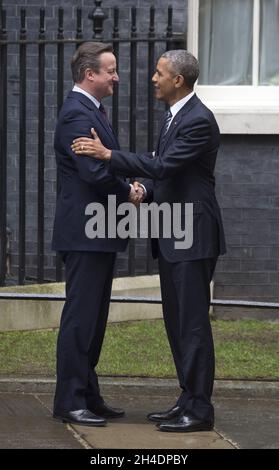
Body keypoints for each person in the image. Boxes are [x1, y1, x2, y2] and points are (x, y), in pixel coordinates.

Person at [71, 49, 226, 433]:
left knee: (192, 325)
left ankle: (200, 411)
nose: (152, 79)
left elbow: (164, 166)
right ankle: (187, 399)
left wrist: (109, 155)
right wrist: (141, 190)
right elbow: (165, 176)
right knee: (176, 322)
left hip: (193, 235)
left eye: (159, 73)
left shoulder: (199, 120)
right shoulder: (174, 116)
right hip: (174, 234)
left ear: (178, 80)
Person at [52, 41, 144, 427]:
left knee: (94, 318)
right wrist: (129, 192)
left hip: (97, 232)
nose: (116, 76)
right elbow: (93, 173)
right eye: (111, 70)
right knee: (81, 318)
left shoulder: (91, 110)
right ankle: (69, 401)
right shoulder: (77, 115)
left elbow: (102, 163)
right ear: (90, 74)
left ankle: (88, 394)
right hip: (85, 234)